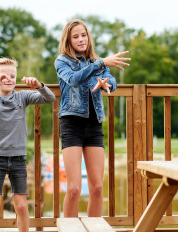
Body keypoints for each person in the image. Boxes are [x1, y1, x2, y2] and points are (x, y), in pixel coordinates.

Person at [0, 57, 56, 232]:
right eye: (3, 76)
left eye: (12, 75)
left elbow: (50, 98)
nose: (8, 79)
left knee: (22, 206)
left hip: (18, 159)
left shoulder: (22, 97)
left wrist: (39, 85)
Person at [54, 19, 131, 217]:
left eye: (84, 35)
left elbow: (111, 81)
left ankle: (94, 230)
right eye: (76, 36)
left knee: (97, 188)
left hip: (94, 125)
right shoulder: (62, 61)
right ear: (68, 40)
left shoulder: (96, 61)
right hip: (72, 124)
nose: (81, 39)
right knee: (74, 189)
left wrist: (107, 83)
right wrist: (101, 63)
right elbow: (73, 80)